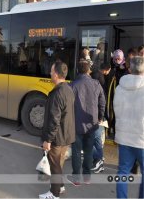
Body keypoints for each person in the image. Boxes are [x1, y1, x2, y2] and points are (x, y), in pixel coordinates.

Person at [39, 61, 75, 199]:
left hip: (57, 137)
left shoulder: (57, 93)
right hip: (66, 135)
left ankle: (54, 194)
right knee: (58, 163)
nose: (49, 73)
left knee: (54, 165)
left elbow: (54, 120)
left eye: (51, 71)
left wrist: (48, 139)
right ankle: (60, 187)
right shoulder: (68, 89)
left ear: (56, 74)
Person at [67, 59, 105, 186]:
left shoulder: (72, 85)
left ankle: (76, 178)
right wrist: (100, 116)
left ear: (78, 70)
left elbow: (67, 106)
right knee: (88, 150)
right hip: (92, 124)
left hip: (76, 124)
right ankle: (87, 178)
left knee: (76, 151)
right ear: (89, 70)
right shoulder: (96, 83)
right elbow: (102, 102)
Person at [114, 56, 144, 199]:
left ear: (130, 69)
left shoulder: (120, 87)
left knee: (123, 172)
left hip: (124, 137)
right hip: (142, 139)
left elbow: (116, 110)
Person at [90, 63, 111, 173]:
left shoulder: (95, 79)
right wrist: (102, 117)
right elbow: (102, 101)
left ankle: (99, 160)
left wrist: (100, 117)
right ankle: (99, 161)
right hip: (99, 117)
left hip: (97, 117)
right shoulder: (100, 80)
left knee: (91, 141)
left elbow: (100, 101)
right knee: (96, 140)